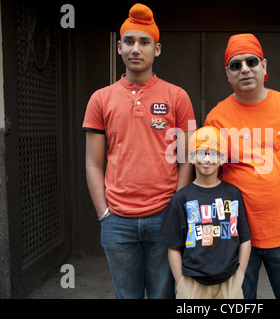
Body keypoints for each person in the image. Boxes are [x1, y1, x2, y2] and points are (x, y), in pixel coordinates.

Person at [82, 3, 195, 299]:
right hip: (117, 220)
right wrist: (103, 213)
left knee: (163, 295)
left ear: (156, 49)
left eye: (144, 42)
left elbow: (187, 159)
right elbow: (93, 163)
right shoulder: (100, 99)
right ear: (119, 47)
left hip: (164, 216)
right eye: (129, 42)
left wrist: (176, 207)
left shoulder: (178, 96)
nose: (136, 48)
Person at [204, 33, 280, 299]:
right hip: (235, 236)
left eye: (251, 61)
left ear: (264, 66)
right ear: (228, 73)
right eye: (236, 65)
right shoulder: (217, 117)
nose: (244, 69)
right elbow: (208, 174)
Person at [161, 126, 251, 299]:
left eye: (214, 153)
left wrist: (240, 276)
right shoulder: (181, 199)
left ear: (222, 158)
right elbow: (173, 246)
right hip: (192, 284)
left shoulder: (233, 194)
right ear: (192, 158)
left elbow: (245, 239)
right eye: (201, 152)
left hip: (229, 283)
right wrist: (181, 285)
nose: (207, 159)